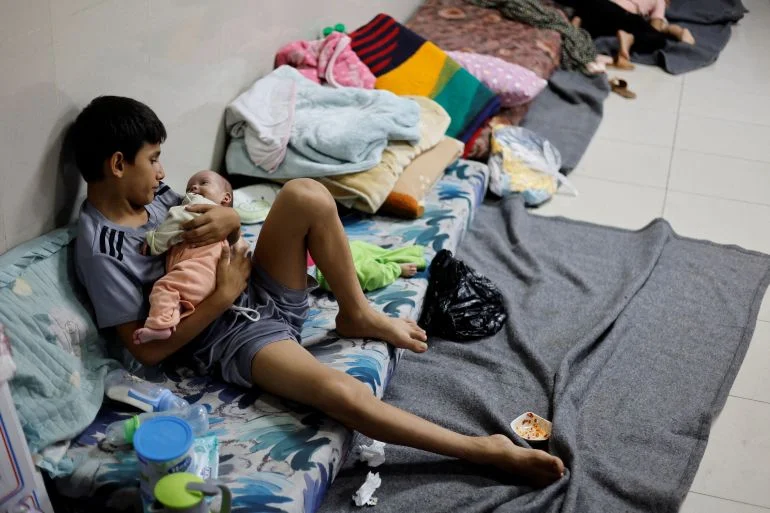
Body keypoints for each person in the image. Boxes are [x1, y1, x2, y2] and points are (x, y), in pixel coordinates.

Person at [72, 96, 565, 485]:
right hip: (226, 334)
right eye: (154, 160)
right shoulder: (100, 247)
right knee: (338, 392)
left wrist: (227, 220)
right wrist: (223, 296)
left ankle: (357, 312)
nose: (163, 173)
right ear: (118, 164)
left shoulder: (154, 196)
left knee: (305, 194)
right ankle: (481, 449)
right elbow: (146, 350)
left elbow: (209, 229)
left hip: (251, 286)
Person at [134, 170, 253, 345]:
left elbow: (175, 221)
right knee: (178, 296)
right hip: (213, 279)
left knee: (165, 288)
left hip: (200, 269)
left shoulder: (197, 205)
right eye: (190, 187)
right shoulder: (221, 221)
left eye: (204, 183)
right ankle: (170, 318)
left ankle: (160, 324)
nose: (194, 188)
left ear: (225, 198)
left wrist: (154, 242)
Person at [567, 0, 695, 70]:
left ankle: (576, 24)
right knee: (658, 39)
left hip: (600, 10)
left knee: (590, 8)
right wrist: (667, 28)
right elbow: (654, 27)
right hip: (625, 18)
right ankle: (630, 38)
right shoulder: (659, 1)